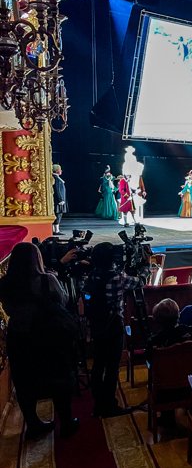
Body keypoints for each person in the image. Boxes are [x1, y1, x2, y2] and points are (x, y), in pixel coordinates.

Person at [0, 243, 79, 439]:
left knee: (24, 380)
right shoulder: (47, 280)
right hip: (47, 335)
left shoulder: (4, 283)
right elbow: (63, 300)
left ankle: (33, 423)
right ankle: (66, 422)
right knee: (58, 376)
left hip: (19, 336)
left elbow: (7, 309)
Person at [84, 241, 147, 417]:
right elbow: (140, 282)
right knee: (112, 367)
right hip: (113, 327)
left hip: (96, 326)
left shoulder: (92, 275)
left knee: (98, 365)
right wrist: (145, 266)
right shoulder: (118, 278)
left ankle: (98, 404)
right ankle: (109, 404)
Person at [122, 146, 147, 222]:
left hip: (135, 188)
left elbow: (140, 179)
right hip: (128, 191)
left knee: (135, 205)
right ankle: (127, 220)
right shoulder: (127, 158)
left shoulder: (133, 158)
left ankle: (136, 218)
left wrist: (143, 190)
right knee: (127, 207)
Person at [52, 163, 67, 235]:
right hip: (59, 201)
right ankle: (56, 230)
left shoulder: (57, 177)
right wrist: (60, 199)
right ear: (57, 170)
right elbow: (57, 190)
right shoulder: (56, 178)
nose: (61, 171)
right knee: (58, 215)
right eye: (60, 169)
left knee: (58, 214)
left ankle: (56, 230)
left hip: (60, 200)